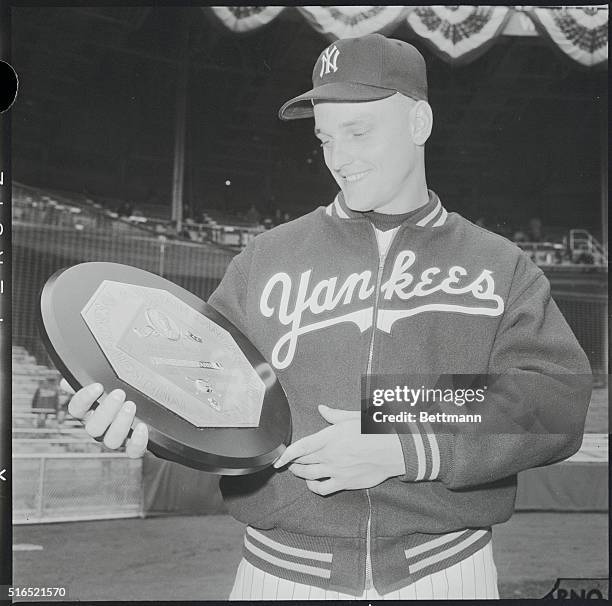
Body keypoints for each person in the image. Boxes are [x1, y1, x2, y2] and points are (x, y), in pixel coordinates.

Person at [65, 34, 592, 600]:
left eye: (359, 131)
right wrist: (142, 416)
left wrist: (399, 440)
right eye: (325, 137)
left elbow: (557, 399)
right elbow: (207, 393)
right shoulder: (264, 259)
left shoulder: (497, 264)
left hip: (442, 573)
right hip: (279, 574)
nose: (339, 158)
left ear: (419, 123)